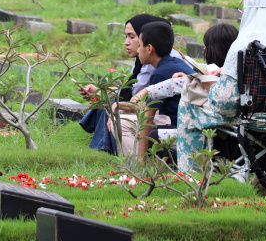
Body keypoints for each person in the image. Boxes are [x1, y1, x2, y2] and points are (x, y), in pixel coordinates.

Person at [175, 0, 266, 171]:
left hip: (253, 118)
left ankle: (192, 172)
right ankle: (265, 170)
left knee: (189, 105)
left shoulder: (244, 44)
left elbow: (224, 103)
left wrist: (213, 85)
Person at [133, 24, 239, 172]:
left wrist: (140, 161)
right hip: (233, 137)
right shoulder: (233, 73)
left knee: (154, 136)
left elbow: (147, 119)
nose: (204, 50)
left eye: (207, 46)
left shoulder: (225, 79)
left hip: (210, 134)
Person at [78, 14, 182, 153]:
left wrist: (117, 103)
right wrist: (101, 91)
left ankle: (120, 155)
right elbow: (132, 89)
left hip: (168, 119)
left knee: (115, 108)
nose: (127, 42)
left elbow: (144, 108)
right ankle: (103, 145)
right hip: (160, 112)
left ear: (147, 43)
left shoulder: (160, 66)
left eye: (132, 37)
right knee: (110, 101)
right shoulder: (154, 59)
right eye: (126, 36)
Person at [120, 22, 194, 156]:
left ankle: (135, 162)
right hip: (185, 122)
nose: (137, 51)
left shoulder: (160, 73)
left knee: (122, 123)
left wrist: (140, 161)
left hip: (178, 127)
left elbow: (147, 120)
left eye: (140, 46)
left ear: (149, 48)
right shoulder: (175, 63)